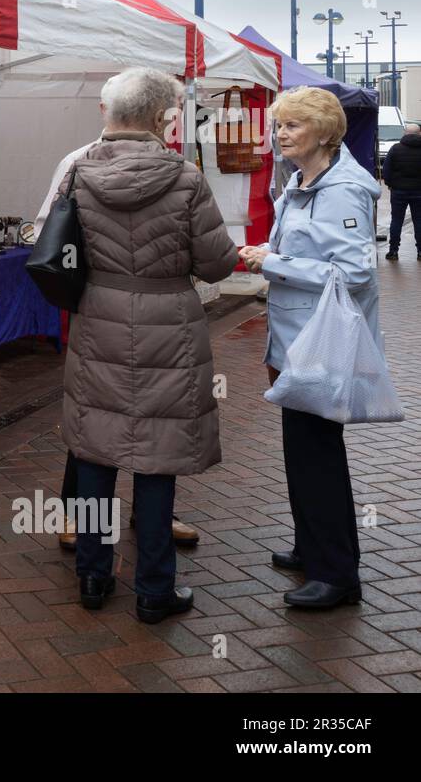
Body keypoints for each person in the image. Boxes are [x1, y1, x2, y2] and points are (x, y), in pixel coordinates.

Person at [51, 67, 238, 623]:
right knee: (158, 458)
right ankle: (156, 590)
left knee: (95, 450)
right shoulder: (185, 177)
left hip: (99, 318)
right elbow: (217, 262)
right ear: (162, 118)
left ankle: (93, 575)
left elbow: (56, 247)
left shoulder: (78, 172)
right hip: (169, 324)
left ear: (110, 113)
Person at [35, 77, 201, 552]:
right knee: (97, 419)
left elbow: (43, 239)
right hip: (114, 307)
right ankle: (81, 516)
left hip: (135, 309)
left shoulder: (176, 168)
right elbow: (51, 237)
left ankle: (146, 520)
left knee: (130, 417)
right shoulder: (79, 163)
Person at [238, 87, 381, 609]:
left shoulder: (341, 189)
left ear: (324, 132)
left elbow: (355, 271)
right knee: (303, 449)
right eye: (279, 126)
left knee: (316, 452)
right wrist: (271, 253)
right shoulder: (302, 181)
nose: (281, 134)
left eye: (293, 126)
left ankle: (337, 574)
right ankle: (312, 546)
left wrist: (272, 263)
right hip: (296, 339)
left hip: (320, 343)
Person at [382, 123, 421, 261]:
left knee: (396, 221)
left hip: (398, 191)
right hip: (419, 192)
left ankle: (393, 251)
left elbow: (386, 170)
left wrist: (390, 184)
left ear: (405, 133)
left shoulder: (395, 149)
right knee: (419, 221)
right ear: (419, 133)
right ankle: (420, 252)